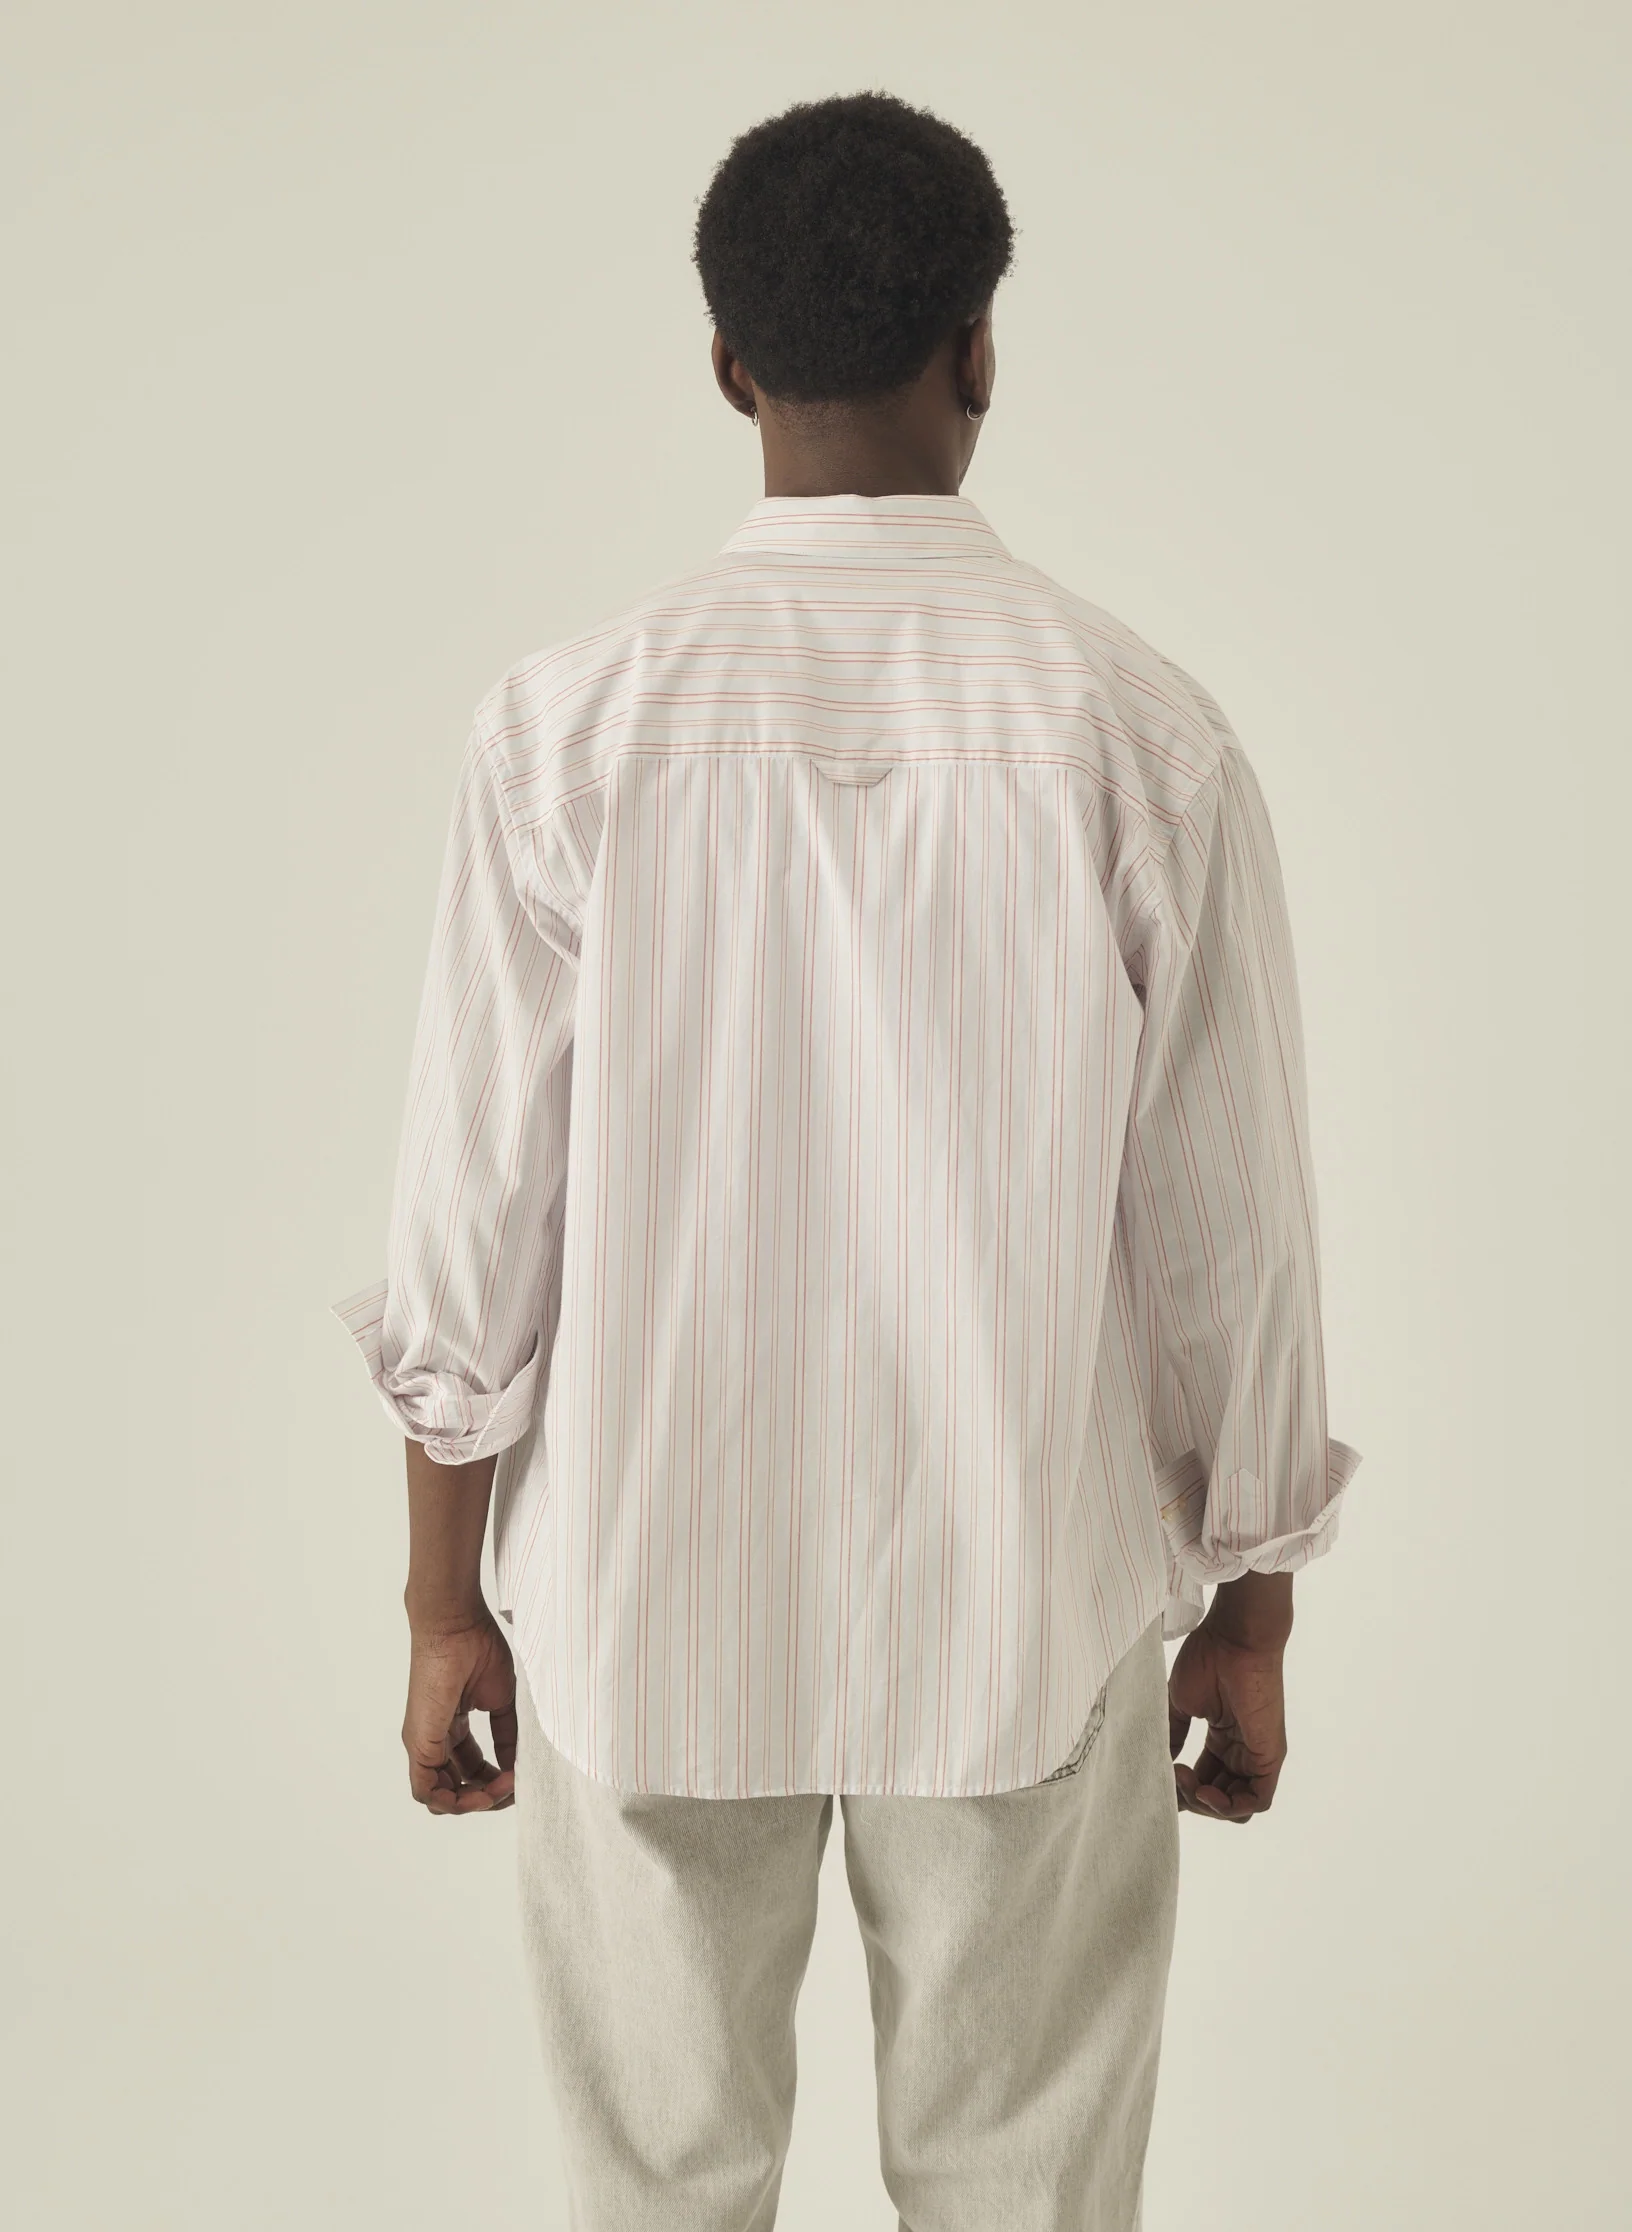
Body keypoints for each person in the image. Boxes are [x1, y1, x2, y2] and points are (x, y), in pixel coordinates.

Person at [334, 89, 1360, 2232]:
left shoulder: (566, 735)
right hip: (1022, 1608)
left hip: (641, 1606)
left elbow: (469, 1223)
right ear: (981, 349)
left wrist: (441, 1603)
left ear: (729, 367)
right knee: (1024, 2189)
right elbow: (1234, 1240)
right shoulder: (1141, 740)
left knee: (653, 2194)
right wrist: (1252, 1611)